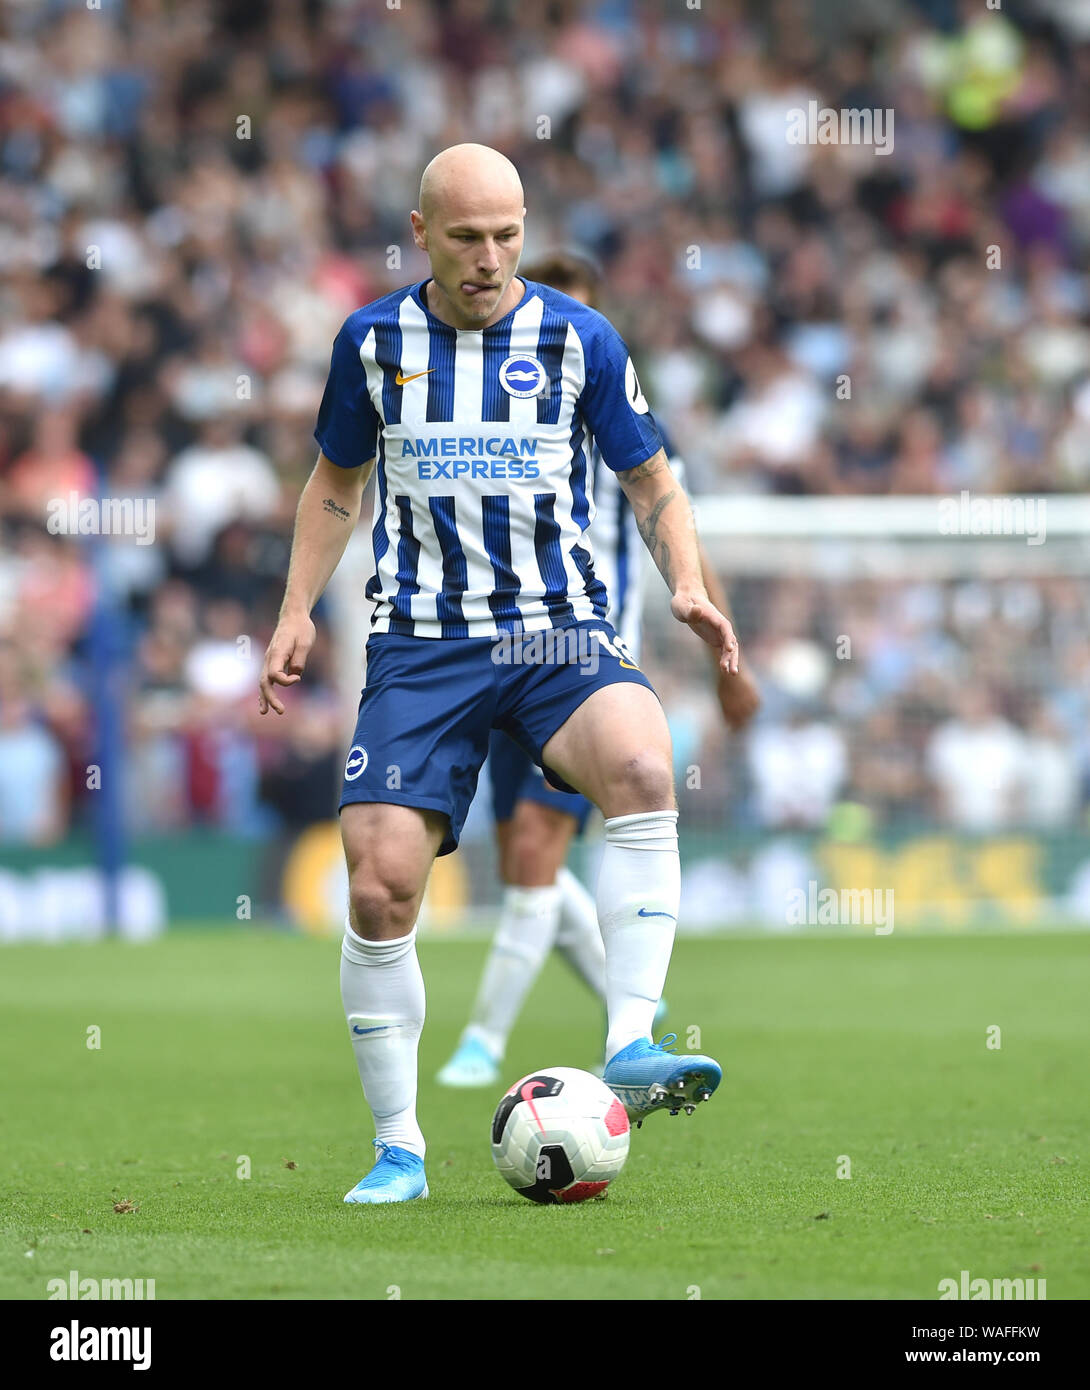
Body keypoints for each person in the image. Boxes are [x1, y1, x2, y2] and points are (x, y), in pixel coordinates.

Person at [259, 144, 741, 1206]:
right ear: (422, 231)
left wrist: (687, 582)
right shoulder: (372, 340)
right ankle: (398, 1149)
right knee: (381, 880)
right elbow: (335, 481)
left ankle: (631, 1038)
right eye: (468, 237)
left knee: (644, 767)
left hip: (552, 630)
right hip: (422, 645)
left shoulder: (579, 338)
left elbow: (650, 477)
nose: (490, 257)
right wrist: (295, 609)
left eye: (508, 235)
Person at [437, 251, 760, 1089]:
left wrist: (724, 657)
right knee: (526, 874)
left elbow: (677, 524)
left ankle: (489, 1041)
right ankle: (636, 1018)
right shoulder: (492, 418)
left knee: (540, 857)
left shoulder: (622, 415)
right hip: (490, 650)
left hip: (578, 667)